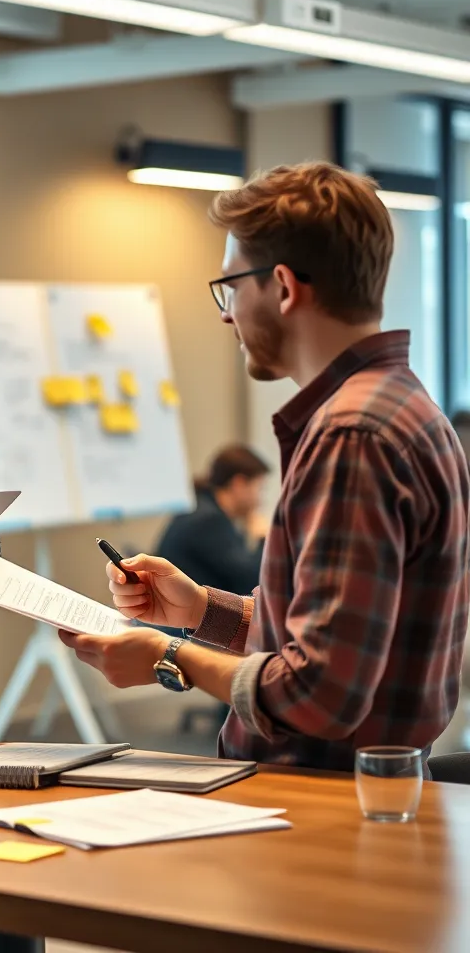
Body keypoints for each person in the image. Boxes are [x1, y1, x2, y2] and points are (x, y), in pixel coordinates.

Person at [64, 162, 470, 772]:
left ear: (282, 286)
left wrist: (168, 658)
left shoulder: (352, 435)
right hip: (357, 790)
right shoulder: (403, 405)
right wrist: (201, 610)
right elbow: (340, 640)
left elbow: (320, 693)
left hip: (316, 800)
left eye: (230, 288)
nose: (226, 315)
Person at [156, 444, 269, 595]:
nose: (260, 500)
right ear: (239, 484)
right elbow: (251, 581)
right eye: (259, 488)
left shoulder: (200, 506)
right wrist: (264, 538)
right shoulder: (209, 520)